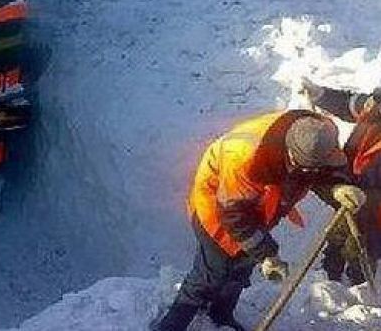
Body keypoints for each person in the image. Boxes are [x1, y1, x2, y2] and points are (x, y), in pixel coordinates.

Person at [153, 110, 365, 331]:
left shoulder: (320, 133)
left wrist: (338, 187)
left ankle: (220, 314)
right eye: (307, 168)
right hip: (218, 206)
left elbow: (326, 170)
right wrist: (266, 254)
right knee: (211, 273)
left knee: (242, 266)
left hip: (259, 204)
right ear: (292, 156)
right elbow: (235, 215)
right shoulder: (245, 158)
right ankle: (170, 325)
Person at [303, 79, 381, 284]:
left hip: (375, 213)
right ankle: (329, 276)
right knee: (337, 237)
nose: (371, 105)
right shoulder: (375, 107)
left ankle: (358, 287)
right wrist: (320, 95)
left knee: (361, 250)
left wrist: (366, 198)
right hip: (350, 191)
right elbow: (349, 103)